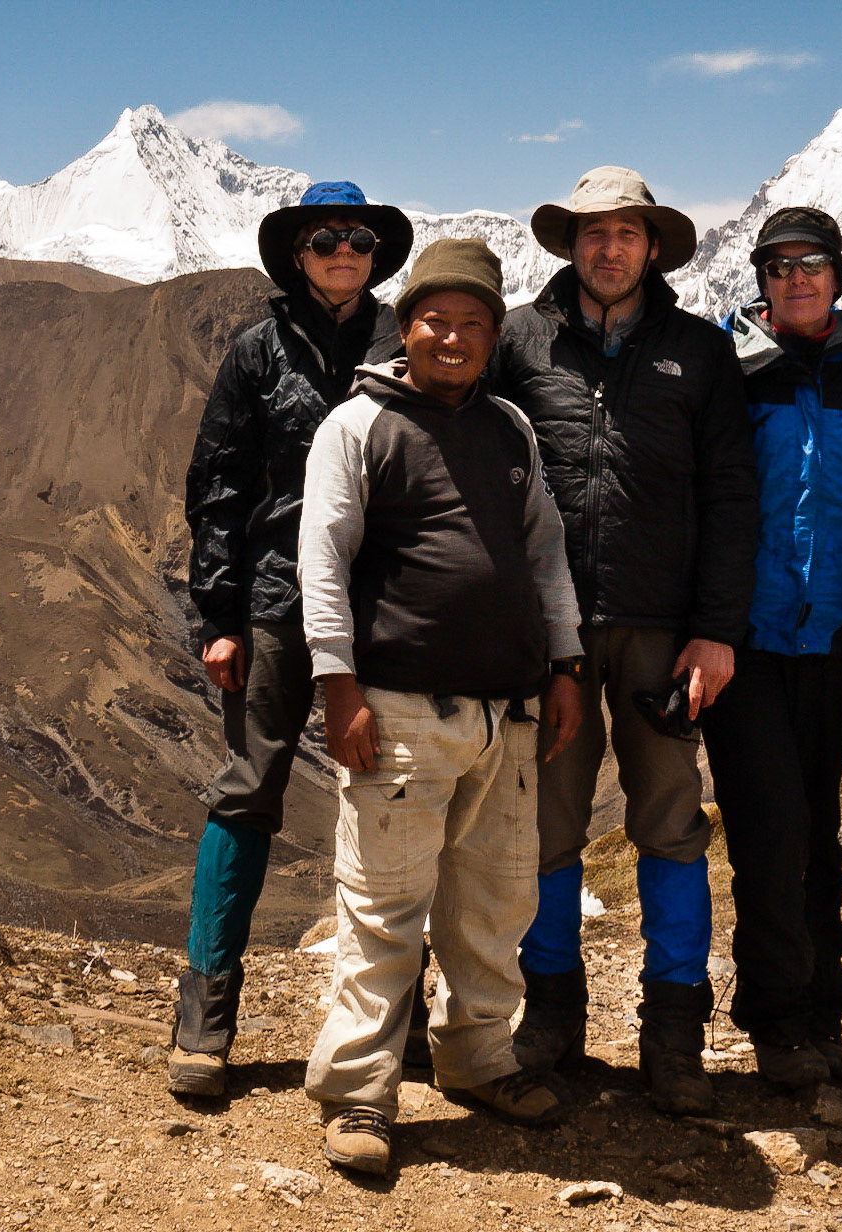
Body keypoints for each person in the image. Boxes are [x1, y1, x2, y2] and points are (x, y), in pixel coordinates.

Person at [296, 238, 585, 1175]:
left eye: (472, 323)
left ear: (493, 333)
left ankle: (477, 1060)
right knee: (383, 910)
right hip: (399, 707)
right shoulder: (358, 427)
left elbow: (544, 552)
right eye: (436, 320)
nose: (453, 338)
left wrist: (566, 662)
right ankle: (359, 1095)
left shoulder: (507, 428)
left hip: (506, 709)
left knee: (493, 903)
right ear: (406, 326)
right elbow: (323, 560)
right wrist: (338, 687)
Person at [488, 167, 758, 1116]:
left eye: (627, 233)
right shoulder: (518, 338)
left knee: (671, 822)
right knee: (548, 824)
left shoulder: (699, 349)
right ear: (570, 241)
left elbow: (732, 494)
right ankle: (550, 1011)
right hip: (548, 630)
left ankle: (674, 1030)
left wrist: (717, 631)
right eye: (593, 232)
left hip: (662, 630)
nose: (609, 248)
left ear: (653, 247)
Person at [172, 182, 412, 1097]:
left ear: (374, 251)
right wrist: (219, 616)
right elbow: (220, 484)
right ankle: (206, 1008)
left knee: (395, 792)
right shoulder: (255, 351)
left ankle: (398, 1012)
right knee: (249, 786)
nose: (343, 251)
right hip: (276, 598)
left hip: (385, 602)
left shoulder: (407, 341)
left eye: (357, 237)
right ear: (299, 254)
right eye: (325, 239)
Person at [701, 207, 842, 1090]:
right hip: (741, 633)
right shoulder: (724, 366)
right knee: (769, 829)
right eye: (776, 264)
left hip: (835, 632)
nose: (794, 277)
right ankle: (776, 1018)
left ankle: (823, 1008)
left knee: (817, 826)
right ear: (759, 278)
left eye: (810, 262)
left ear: (837, 271)